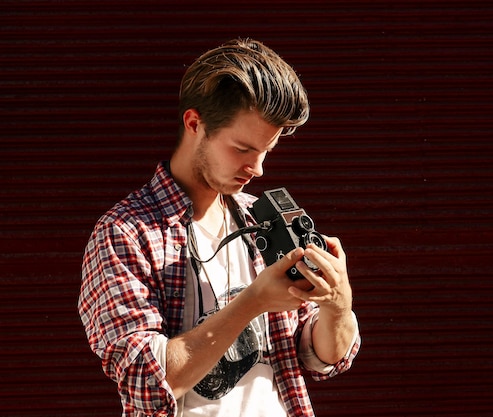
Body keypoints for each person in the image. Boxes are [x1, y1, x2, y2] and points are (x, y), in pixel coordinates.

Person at [78, 38, 361, 417]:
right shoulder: (125, 233)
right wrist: (253, 302)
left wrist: (338, 305)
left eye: (266, 151)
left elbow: (318, 357)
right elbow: (144, 381)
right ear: (195, 123)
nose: (258, 168)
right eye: (242, 149)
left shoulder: (261, 217)